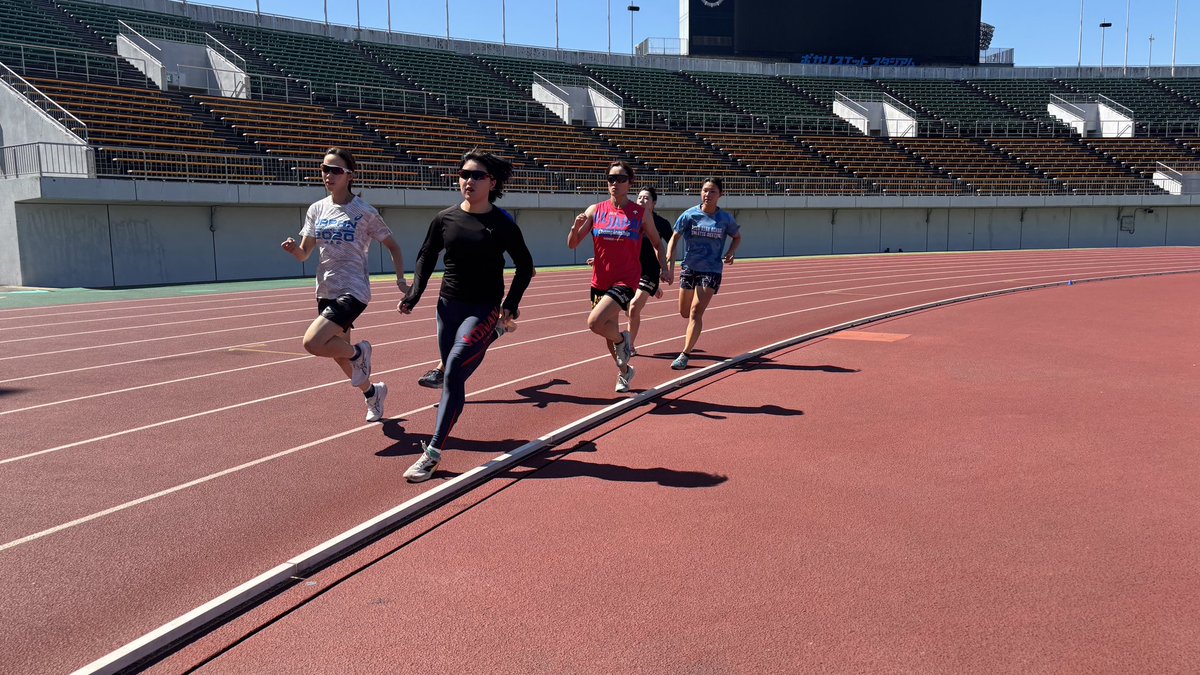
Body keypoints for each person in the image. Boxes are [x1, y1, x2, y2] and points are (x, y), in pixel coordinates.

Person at [398, 150, 534, 483]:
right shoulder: (444, 219)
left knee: (456, 364)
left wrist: (510, 303)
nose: (468, 181)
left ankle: (431, 454)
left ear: (492, 182)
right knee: (452, 377)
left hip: (484, 306)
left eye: (476, 175)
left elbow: (525, 267)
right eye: (463, 174)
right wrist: (414, 294)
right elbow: (427, 257)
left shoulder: (502, 222)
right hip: (448, 306)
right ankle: (494, 334)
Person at [281, 147, 408, 422]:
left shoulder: (364, 212)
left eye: (335, 170)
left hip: (354, 289)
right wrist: (294, 250)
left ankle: (360, 352)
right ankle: (373, 394)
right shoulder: (317, 209)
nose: (328, 175)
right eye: (324, 169)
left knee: (313, 342)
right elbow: (306, 253)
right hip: (326, 288)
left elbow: (393, 246)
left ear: (350, 175)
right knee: (340, 357)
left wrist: (401, 279)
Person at [568, 161, 669, 394]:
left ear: (630, 183)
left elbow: (657, 243)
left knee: (594, 322)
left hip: (626, 280)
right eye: (611, 178)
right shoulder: (595, 210)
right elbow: (573, 244)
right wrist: (575, 227)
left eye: (621, 179)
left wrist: (664, 268)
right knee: (607, 333)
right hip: (600, 280)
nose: (615, 183)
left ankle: (624, 340)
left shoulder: (639, 214)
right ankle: (625, 373)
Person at [665, 177, 741, 371]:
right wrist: (669, 261)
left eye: (713, 191)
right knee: (684, 311)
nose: (708, 194)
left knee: (695, 312)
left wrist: (731, 252)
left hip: (711, 270)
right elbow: (674, 238)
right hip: (689, 268)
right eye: (705, 190)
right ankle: (690, 340)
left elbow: (737, 237)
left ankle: (685, 354)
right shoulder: (689, 215)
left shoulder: (725, 219)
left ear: (720, 195)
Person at [627, 186, 674, 356]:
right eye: (639, 197)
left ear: (654, 203)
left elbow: (673, 245)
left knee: (633, 308)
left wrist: (668, 270)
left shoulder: (661, 223)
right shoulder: (629, 219)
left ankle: (629, 345)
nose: (642, 201)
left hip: (650, 270)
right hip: (630, 269)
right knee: (625, 308)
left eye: (646, 198)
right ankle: (653, 289)